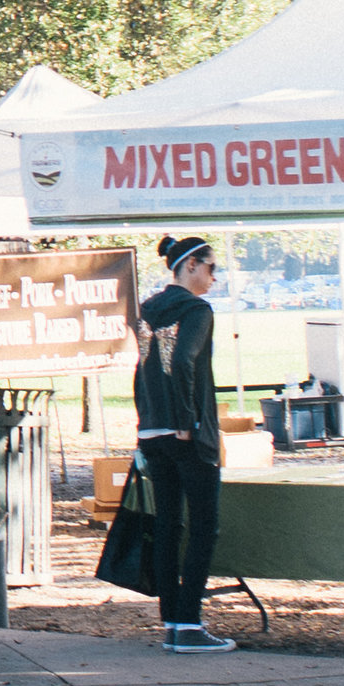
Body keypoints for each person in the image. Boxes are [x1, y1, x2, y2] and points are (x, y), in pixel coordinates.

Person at [136, 232, 232, 651]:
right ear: (191, 265)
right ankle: (189, 624)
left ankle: (173, 621)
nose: (214, 277)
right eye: (211, 268)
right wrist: (188, 421)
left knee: (168, 525)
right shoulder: (196, 309)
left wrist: (147, 421)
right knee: (203, 527)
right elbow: (183, 361)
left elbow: (145, 368)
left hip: (152, 429)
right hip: (186, 432)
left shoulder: (148, 309)